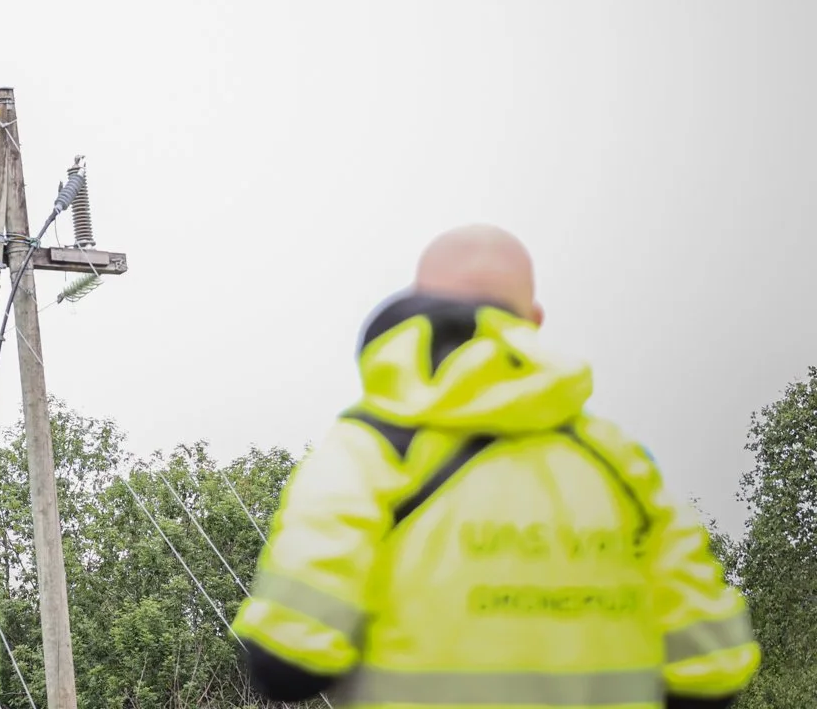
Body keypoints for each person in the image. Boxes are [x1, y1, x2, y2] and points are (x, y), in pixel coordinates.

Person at [231, 224, 761, 709]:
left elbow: (289, 663)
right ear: (532, 321)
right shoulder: (622, 465)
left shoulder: (367, 453)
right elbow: (713, 670)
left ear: (416, 306)